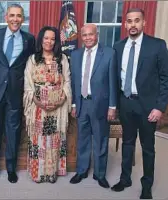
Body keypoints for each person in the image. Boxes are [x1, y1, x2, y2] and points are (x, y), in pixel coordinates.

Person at [111, 8, 168, 199]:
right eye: (129, 21)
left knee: (147, 147)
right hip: (126, 104)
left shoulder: (157, 46)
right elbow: (115, 79)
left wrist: (160, 107)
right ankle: (125, 178)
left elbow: (166, 79)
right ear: (125, 24)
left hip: (148, 107)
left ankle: (147, 185)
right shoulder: (118, 47)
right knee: (127, 144)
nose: (133, 24)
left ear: (144, 23)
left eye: (137, 20)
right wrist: (115, 105)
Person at [0, 3, 35, 184]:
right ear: (6, 17)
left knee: (13, 132)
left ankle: (11, 168)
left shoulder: (29, 39)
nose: (15, 19)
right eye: (12, 15)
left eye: (19, 16)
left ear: (23, 19)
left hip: (16, 92)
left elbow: (32, 62)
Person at [69, 24, 117, 189]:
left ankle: (100, 174)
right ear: (81, 37)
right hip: (82, 103)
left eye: (91, 34)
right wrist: (74, 104)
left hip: (101, 105)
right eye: (84, 35)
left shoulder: (109, 53)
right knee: (82, 140)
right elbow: (74, 82)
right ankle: (81, 170)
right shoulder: (75, 55)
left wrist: (112, 106)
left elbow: (113, 82)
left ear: (97, 35)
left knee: (100, 140)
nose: (88, 38)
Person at [23, 26, 72, 183]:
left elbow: (67, 81)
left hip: (57, 109)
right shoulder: (33, 59)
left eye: (52, 38)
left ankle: (51, 173)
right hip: (38, 109)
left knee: (53, 140)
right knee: (39, 141)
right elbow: (28, 84)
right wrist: (36, 100)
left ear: (56, 41)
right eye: (46, 38)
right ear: (41, 40)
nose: (49, 41)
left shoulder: (62, 59)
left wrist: (60, 100)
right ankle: (38, 173)